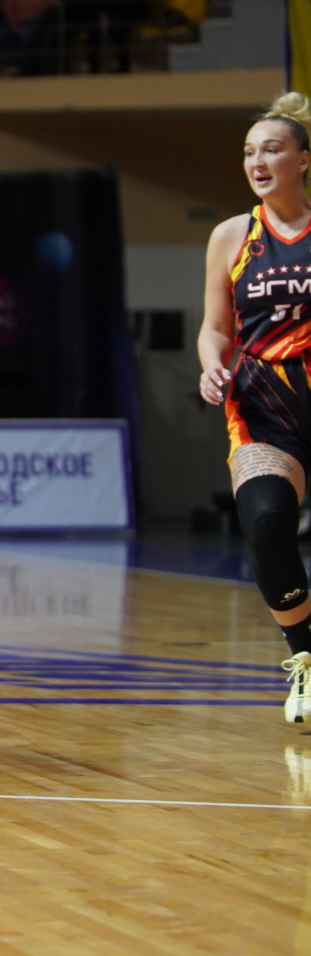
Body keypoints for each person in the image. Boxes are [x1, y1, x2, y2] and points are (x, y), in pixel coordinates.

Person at [197, 93, 311, 725]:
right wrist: (210, 363)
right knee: (267, 524)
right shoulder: (232, 236)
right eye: (248, 152)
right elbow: (216, 327)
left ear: (303, 160)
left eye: (271, 149)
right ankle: (306, 659)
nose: (257, 161)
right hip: (263, 407)